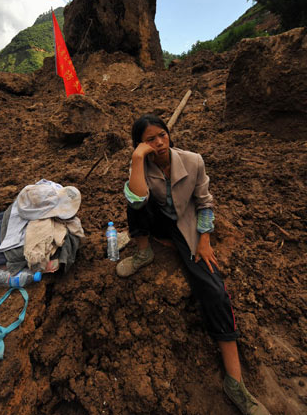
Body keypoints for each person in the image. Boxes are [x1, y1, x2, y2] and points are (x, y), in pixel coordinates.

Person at [116, 114, 270, 415]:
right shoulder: (142, 166)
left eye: (162, 135)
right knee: (133, 198)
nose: (159, 142)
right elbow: (136, 202)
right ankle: (145, 252)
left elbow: (205, 202)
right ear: (140, 145)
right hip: (157, 222)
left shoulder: (193, 161)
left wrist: (204, 238)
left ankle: (235, 383)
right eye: (150, 139)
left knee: (214, 289)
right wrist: (137, 159)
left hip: (186, 225)